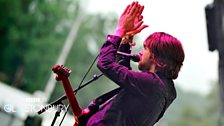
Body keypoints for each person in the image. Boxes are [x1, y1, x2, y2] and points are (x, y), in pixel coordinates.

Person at [86, 1, 185, 126]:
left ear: (155, 56)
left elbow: (105, 63)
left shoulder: (152, 83)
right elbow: (126, 77)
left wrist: (120, 30)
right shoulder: (166, 89)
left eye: (145, 48)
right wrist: (127, 39)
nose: (141, 52)